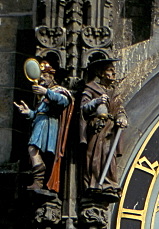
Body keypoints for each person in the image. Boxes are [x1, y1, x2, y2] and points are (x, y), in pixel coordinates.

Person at [14, 61, 72, 192]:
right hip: (40, 123)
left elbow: (64, 100)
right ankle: (38, 181)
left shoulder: (58, 90)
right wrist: (28, 112)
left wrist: (46, 92)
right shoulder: (42, 96)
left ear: (51, 76)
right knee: (34, 149)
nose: (41, 79)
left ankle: (42, 181)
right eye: (41, 77)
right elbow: (37, 113)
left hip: (49, 125)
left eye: (44, 76)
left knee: (35, 149)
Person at [80, 58, 128, 191]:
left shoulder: (113, 93)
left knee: (109, 155)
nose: (113, 74)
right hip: (97, 128)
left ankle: (109, 182)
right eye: (110, 70)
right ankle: (94, 182)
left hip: (110, 130)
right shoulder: (91, 88)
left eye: (114, 71)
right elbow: (84, 107)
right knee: (95, 155)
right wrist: (97, 101)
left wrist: (122, 118)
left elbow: (119, 109)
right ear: (101, 73)